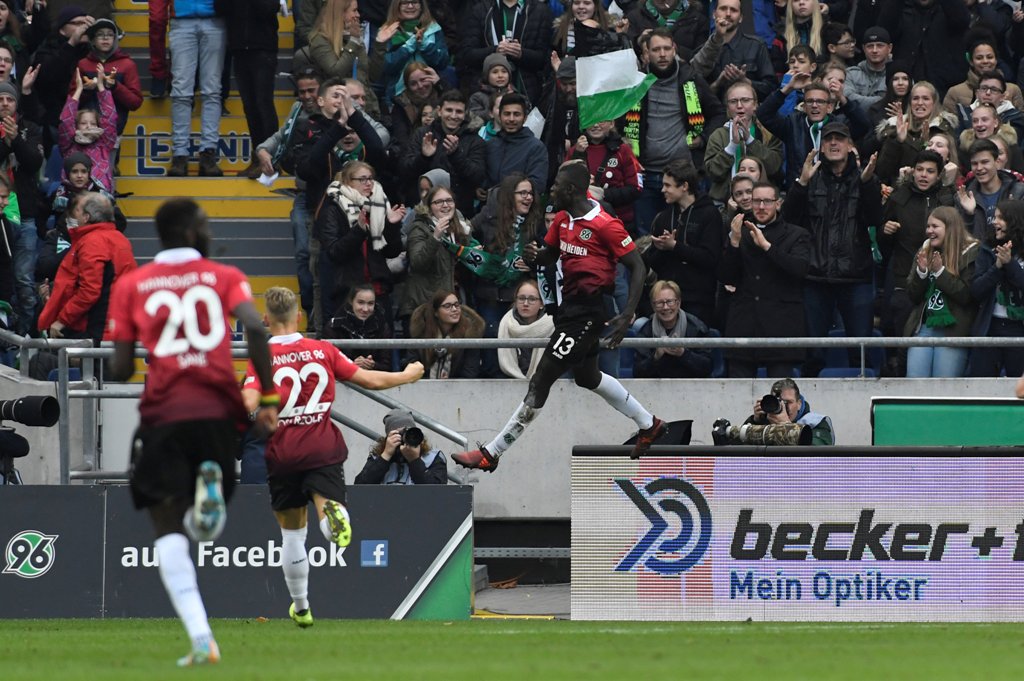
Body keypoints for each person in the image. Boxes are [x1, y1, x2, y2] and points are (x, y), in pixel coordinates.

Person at [105, 199, 280, 666]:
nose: (208, 232)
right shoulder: (223, 276)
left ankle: (202, 637)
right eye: (204, 225)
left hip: (165, 414)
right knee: (203, 528)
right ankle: (212, 485)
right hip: (218, 412)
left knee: (167, 527)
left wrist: (135, 355)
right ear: (188, 231)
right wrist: (266, 399)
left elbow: (120, 369)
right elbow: (256, 332)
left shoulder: (132, 284)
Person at [452, 161, 666, 472]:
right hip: (569, 311)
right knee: (587, 377)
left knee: (541, 379)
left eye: (555, 187)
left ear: (570, 191)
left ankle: (492, 452)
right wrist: (534, 256)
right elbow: (550, 255)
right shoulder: (563, 220)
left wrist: (628, 313)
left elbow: (637, 265)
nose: (549, 192)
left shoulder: (605, 224)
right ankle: (650, 424)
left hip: (591, 312)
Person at [240, 287, 424, 627]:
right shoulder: (323, 349)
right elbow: (369, 379)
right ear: (299, 317)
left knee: (292, 534)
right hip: (322, 446)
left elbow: (248, 402)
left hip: (283, 452)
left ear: (266, 319)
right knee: (326, 509)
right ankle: (334, 517)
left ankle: (302, 607)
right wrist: (407, 376)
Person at [782, 123, 882, 370]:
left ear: (850, 146)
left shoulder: (866, 178)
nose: (834, 143)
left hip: (856, 276)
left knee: (860, 351)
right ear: (821, 146)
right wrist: (801, 184)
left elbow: (874, 220)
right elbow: (787, 221)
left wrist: (868, 184)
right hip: (815, 277)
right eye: (828, 140)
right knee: (812, 353)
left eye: (840, 139)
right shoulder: (809, 178)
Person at [625, 27, 725, 234]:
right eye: (656, 50)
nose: (662, 54)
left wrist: (703, 138)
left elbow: (718, 113)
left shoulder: (690, 79)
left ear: (674, 49)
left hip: (685, 176)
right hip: (646, 174)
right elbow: (618, 120)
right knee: (647, 237)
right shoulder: (636, 84)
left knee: (690, 234)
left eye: (666, 48)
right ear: (646, 53)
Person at [718, 181, 811, 377]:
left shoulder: (796, 234)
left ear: (778, 203)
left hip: (780, 326)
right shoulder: (739, 232)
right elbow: (727, 277)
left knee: (780, 397)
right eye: (756, 201)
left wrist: (767, 247)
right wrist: (734, 243)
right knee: (739, 392)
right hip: (744, 325)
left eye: (767, 201)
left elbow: (799, 269)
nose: (761, 207)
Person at [315, 160, 406, 329]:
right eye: (362, 179)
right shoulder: (333, 209)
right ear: (348, 182)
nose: (369, 183)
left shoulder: (379, 206)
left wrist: (392, 225)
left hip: (378, 293)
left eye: (371, 179)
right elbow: (334, 252)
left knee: (382, 351)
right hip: (348, 295)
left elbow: (392, 252)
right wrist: (359, 230)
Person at [36, 192, 135, 342]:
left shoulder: (93, 242)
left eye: (77, 211)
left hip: (97, 328)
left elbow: (89, 291)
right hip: (113, 323)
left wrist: (62, 320)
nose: (71, 215)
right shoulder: (117, 238)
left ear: (86, 217)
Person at [644, 158, 722, 327]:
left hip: (699, 300)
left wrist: (675, 247)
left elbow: (710, 258)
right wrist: (660, 248)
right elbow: (653, 263)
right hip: (667, 302)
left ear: (685, 186)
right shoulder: (663, 217)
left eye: (668, 185)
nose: (663, 189)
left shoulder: (710, 214)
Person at [905, 206, 980, 378]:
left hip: (953, 331)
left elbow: (966, 295)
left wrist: (940, 272)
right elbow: (913, 296)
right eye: (928, 226)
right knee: (915, 386)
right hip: (924, 327)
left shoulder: (971, 252)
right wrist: (922, 273)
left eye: (935, 226)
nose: (929, 231)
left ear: (950, 227)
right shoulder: (925, 250)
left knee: (945, 390)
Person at [398, 88, 486, 215]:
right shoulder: (422, 134)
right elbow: (404, 170)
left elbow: (477, 177)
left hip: (459, 212)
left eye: (459, 111)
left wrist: (456, 155)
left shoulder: (475, 141)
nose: (453, 116)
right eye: (449, 110)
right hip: (423, 210)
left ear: (465, 113)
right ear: (439, 111)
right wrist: (424, 157)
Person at [166, 0, 226, 177]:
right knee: (180, 92)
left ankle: (208, 152)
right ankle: (180, 154)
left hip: (215, 20)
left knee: (212, 91)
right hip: (181, 21)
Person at [456, 0, 553, 105]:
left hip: (526, 88)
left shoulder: (540, 10)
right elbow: (467, 55)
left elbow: (544, 59)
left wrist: (521, 54)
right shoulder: (480, 9)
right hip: (487, 95)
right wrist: (494, 51)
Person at [969, 201, 1024, 377]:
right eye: (996, 216)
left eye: (1001, 218)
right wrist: (998, 266)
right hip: (989, 327)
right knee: (981, 385)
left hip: (1019, 329)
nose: (995, 222)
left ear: (1015, 221)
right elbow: (976, 290)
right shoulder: (986, 249)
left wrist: (1010, 264)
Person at [704, 80, 783, 203]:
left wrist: (750, 140)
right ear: (728, 107)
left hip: (761, 201)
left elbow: (774, 167)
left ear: (755, 104)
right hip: (724, 201)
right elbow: (712, 173)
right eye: (733, 101)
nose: (739, 105)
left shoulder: (769, 133)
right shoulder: (718, 135)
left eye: (745, 100)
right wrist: (732, 146)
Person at [400, 184, 469, 321]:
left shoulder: (459, 228)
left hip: (449, 304)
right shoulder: (419, 228)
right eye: (438, 202)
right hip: (424, 307)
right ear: (429, 207)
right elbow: (417, 263)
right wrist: (435, 237)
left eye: (449, 201)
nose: (445, 205)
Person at [878, 0, 970, 98]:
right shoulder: (901, 9)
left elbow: (961, 20)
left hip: (944, 86)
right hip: (907, 87)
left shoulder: (949, 10)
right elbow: (884, 30)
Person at [371, 0, 450, 107]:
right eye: (405, 3)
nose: (410, 6)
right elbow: (385, 66)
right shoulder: (386, 32)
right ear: (397, 6)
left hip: (431, 96)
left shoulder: (434, 29)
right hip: (398, 99)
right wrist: (409, 47)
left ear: (421, 5)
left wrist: (424, 45)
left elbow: (443, 61)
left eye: (414, 2)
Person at [566, 119, 641, 231]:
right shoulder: (575, 151)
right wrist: (578, 154)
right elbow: (563, 184)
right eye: (591, 119)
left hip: (618, 220)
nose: (595, 125)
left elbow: (636, 188)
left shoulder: (623, 151)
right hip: (583, 221)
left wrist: (604, 194)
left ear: (612, 123)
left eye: (601, 121)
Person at [633, 280, 712, 378]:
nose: (665, 307)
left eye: (670, 302)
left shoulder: (697, 328)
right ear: (653, 306)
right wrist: (656, 357)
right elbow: (637, 373)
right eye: (660, 303)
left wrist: (683, 353)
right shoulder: (645, 331)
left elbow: (707, 368)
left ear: (678, 303)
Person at [59, 67, 117, 192]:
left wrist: (101, 87)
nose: (89, 126)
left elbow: (111, 118)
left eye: (92, 123)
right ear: (77, 126)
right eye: (83, 123)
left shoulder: (104, 143)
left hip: (99, 195)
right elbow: (66, 121)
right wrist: (78, 90)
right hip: (73, 194)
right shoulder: (69, 144)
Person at [354, 408, 447, 484]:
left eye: (409, 433)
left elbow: (437, 493)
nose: (404, 438)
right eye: (399, 434)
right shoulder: (378, 458)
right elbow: (360, 487)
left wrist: (415, 461)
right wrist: (386, 455)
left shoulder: (433, 457)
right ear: (388, 437)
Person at [707, 0, 776, 101]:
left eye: (734, 10)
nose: (728, 14)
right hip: (714, 114)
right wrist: (718, 83)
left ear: (741, 18)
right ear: (714, 14)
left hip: (751, 114)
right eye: (723, 9)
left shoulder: (756, 46)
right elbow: (694, 97)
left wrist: (745, 81)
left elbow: (771, 88)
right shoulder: (703, 52)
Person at [957, 139, 1024, 243]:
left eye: (985, 162)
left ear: (997, 162)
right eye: (974, 163)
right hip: (978, 258)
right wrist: (968, 215)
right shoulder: (963, 198)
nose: (979, 168)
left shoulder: (1018, 192)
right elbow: (961, 241)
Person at [407, 289, 485, 378]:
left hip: (459, 388)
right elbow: (412, 368)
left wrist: (449, 383)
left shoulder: (469, 334)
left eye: (457, 304)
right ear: (436, 312)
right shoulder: (421, 334)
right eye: (447, 306)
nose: (455, 309)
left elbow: (470, 372)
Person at [485, 92, 548, 190]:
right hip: (492, 204)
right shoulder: (490, 145)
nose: (511, 119)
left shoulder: (536, 147)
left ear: (525, 118)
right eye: (507, 114)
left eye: (516, 114)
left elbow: (537, 184)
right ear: (500, 116)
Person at [746, 378, 835, 445]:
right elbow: (738, 447)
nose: (783, 406)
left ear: (799, 403)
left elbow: (818, 453)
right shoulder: (765, 420)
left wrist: (787, 426)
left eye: (788, 402)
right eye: (778, 402)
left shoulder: (816, 422)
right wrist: (754, 422)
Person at [497, 277, 554, 379]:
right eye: (522, 298)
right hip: (510, 382)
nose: (525, 304)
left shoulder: (552, 325)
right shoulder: (506, 323)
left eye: (532, 299)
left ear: (542, 304)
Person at [326, 283, 393, 369]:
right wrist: (350, 365)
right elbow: (328, 363)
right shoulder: (334, 326)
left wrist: (373, 365)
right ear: (351, 301)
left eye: (370, 303)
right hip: (342, 379)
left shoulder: (382, 326)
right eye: (360, 302)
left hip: (374, 379)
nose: (365, 309)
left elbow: (387, 365)